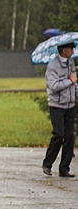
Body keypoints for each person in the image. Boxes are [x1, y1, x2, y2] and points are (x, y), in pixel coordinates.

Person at [42, 41, 77, 177]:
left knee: (69, 137)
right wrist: (70, 81)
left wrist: (75, 93)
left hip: (70, 105)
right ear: (64, 50)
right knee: (59, 134)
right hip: (57, 105)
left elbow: (74, 82)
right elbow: (54, 86)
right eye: (71, 49)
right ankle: (47, 163)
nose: (73, 52)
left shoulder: (71, 63)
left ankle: (64, 168)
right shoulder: (52, 66)